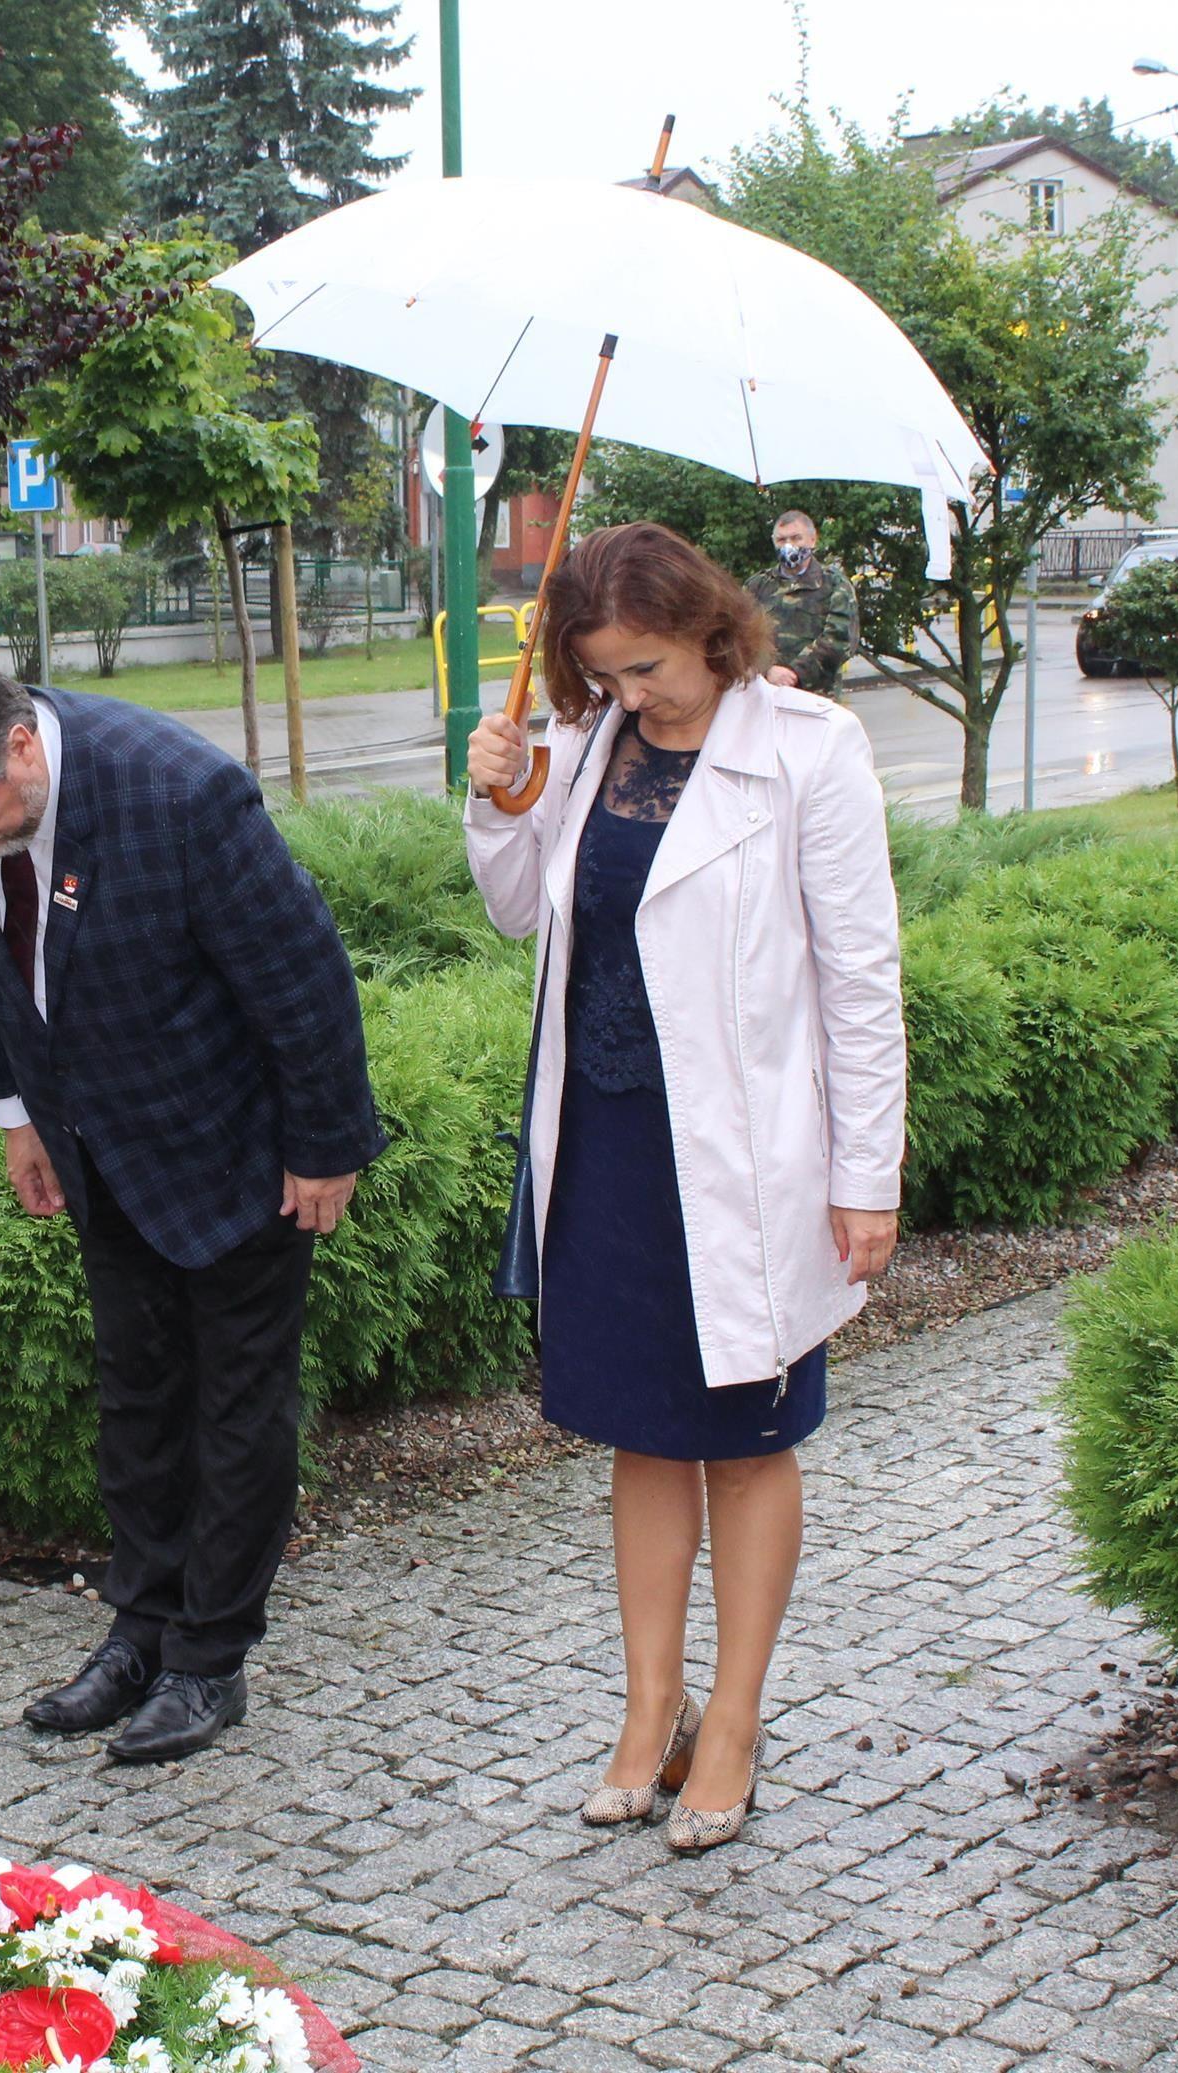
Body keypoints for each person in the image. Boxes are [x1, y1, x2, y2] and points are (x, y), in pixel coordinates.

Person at [463, 523, 905, 1853]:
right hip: (600, 1144)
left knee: (745, 1435)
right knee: (639, 1428)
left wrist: (863, 1174)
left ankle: (732, 1717)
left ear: (712, 630)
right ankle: (645, 1707)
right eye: (603, 672)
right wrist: (498, 798)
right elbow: (516, 910)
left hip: (749, 1157)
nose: (629, 695)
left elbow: (860, 979)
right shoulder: (588, 745)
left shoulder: (808, 750)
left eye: (647, 666)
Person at [0, 658, 385, 1764]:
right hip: (87, 1141)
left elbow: (302, 975)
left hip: (228, 1139)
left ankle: (209, 1660)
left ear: (18, 748)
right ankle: (138, 1630)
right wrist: (15, 1116)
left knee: (238, 1411)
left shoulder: (179, 793)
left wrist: (324, 1146)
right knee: (135, 1402)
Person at [746, 509, 858, 696]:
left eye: (796, 538)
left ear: (812, 540)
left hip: (817, 698)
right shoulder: (758, 586)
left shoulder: (833, 584)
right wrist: (767, 671)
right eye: (781, 540)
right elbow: (740, 637)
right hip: (765, 696)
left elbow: (840, 640)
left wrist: (795, 673)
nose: (788, 546)